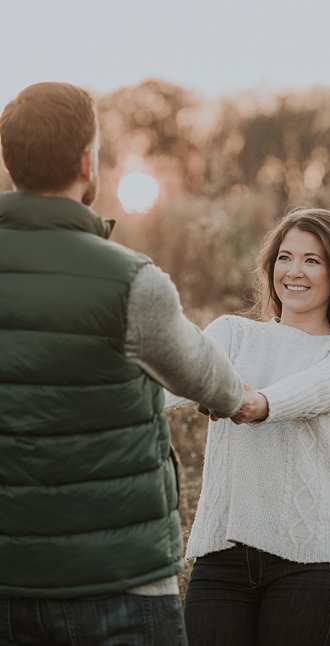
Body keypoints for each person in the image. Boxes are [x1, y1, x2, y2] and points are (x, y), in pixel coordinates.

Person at [0, 81, 253, 645]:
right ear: (88, 162)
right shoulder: (131, 282)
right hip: (118, 586)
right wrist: (238, 400)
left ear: (9, 161)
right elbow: (205, 375)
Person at [168, 207, 330, 645]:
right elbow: (173, 374)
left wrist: (254, 402)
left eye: (313, 260)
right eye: (285, 257)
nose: (294, 271)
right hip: (221, 559)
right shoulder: (232, 334)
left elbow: (312, 389)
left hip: (314, 562)